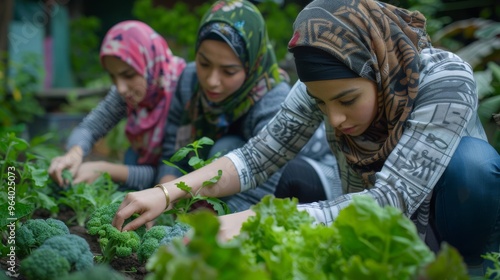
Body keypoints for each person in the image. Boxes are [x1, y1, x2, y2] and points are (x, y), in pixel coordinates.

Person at [113, 0, 500, 274]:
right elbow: (255, 158)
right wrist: (168, 192)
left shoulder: (445, 80)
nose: (334, 117)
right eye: (322, 102)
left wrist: (255, 221)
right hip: (383, 226)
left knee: (473, 165)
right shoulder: (319, 86)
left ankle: (471, 267)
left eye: (348, 99)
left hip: (451, 214)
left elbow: (391, 198)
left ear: (379, 71)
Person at [155, 0, 338, 212]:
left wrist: (212, 226)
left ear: (252, 65)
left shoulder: (271, 96)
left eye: (229, 71)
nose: (212, 80)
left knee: (225, 148)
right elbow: (173, 150)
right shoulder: (189, 81)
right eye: (204, 64)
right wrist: (165, 195)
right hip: (244, 169)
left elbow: (263, 171)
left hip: (305, 172)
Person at [48, 20, 186, 190]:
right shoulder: (132, 92)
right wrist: (74, 153)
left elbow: (174, 175)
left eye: (128, 75)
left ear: (149, 64)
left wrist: (104, 170)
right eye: (113, 76)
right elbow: (90, 127)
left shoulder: (182, 91)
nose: (120, 88)